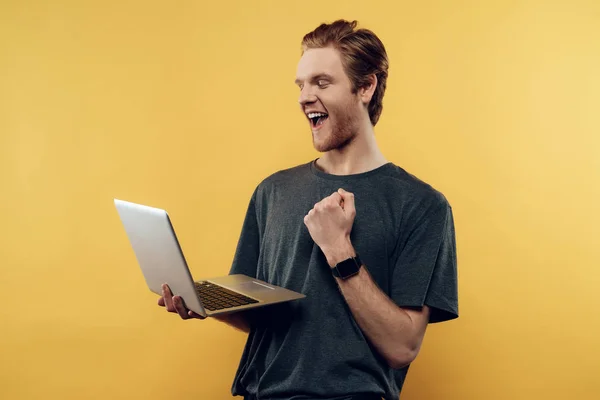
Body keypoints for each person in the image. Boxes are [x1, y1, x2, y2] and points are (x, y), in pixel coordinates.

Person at [159, 19, 458, 400]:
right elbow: (265, 316)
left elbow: (402, 348)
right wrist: (204, 303)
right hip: (261, 394)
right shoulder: (273, 191)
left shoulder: (422, 206)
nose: (304, 96)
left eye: (321, 82)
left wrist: (339, 249)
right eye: (301, 84)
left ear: (365, 87)